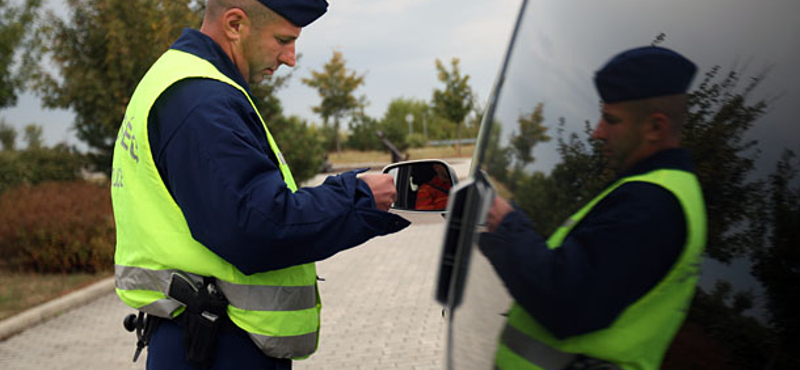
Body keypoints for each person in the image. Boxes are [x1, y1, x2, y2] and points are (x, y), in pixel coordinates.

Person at [110, 1, 410, 369]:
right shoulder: (203, 102)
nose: (290, 58)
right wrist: (358, 198)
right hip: (218, 344)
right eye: (283, 40)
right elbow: (258, 225)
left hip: (199, 337)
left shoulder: (180, 81)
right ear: (235, 24)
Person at [478, 46, 707, 370]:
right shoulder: (659, 190)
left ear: (655, 128)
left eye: (611, 120)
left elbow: (564, 301)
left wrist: (508, 227)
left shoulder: (652, 204)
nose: (597, 132)